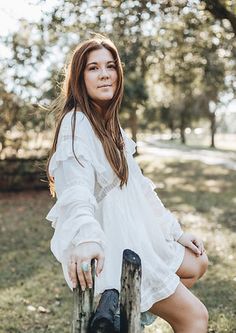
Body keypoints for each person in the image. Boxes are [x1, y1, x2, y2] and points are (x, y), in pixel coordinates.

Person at [45, 34, 209, 332]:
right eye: (93, 68)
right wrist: (86, 238)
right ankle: (127, 314)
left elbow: (140, 187)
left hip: (140, 234)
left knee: (198, 263)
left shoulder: (108, 123)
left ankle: (132, 317)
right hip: (116, 245)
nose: (105, 73)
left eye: (110, 66)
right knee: (195, 317)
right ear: (79, 78)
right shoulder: (76, 124)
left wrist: (176, 231)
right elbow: (75, 190)